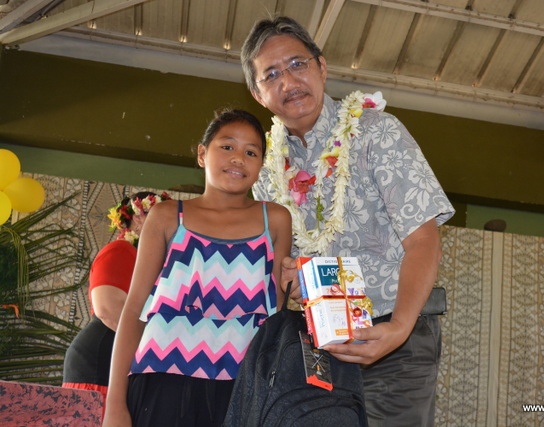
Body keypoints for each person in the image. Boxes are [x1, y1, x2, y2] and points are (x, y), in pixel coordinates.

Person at [241, 16, 455, 427]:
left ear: (322, 67)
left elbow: (423, 240)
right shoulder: (265, 168)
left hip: (395, 336)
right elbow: (280, 263)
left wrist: (399, 328)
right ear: (257, 93)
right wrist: (289, 275)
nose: (289, 81)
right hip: (319, 343)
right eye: (272, 74)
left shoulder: (377, 132)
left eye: (298, 64)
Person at [102, 109, 292, 427]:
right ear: (203, 154)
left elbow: (277, 311)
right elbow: (134, 309)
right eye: (227, 146)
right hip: (161, 380)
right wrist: (115, 404)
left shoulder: (275, 219)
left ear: (261, 165)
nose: (238, 158)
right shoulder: (165, 216)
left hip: (243, 386)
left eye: (251, 152)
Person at [62, 191, 170, 411]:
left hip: (120, 359)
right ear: (138, 217)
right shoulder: (121, 249)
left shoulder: (151, 262)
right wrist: (156, 350)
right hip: (99, 359)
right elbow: (108, 310)